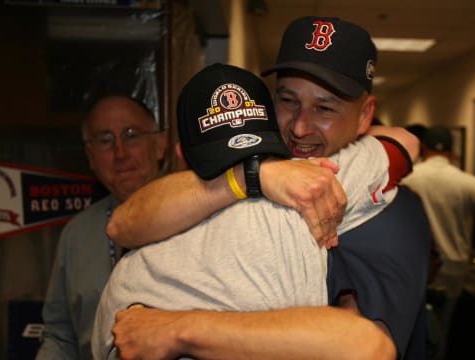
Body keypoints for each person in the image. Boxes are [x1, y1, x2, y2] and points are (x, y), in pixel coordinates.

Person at [105, 16, 431, 360]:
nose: (300, 128)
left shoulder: (393, 214)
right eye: (288, 101)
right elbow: (122, 224)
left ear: (366, 115)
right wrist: (252, 175)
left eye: (325, 108)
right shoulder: (247, 174)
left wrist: (177, 327)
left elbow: (365, 346)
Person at [36, 95, 167, 359]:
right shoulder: (77, 234)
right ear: (90, 156)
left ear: (159, 144)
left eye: (131, 135)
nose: (120, 152)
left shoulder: (201, 218)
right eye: (105, 140)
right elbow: (60, 337)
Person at [400, 124, 475, 359]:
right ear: (452, 150)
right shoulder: (469, 182)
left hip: (416, 267)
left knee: (410, 328)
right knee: (441, 331)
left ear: (424, 147)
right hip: (453, 269)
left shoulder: (408, 177)